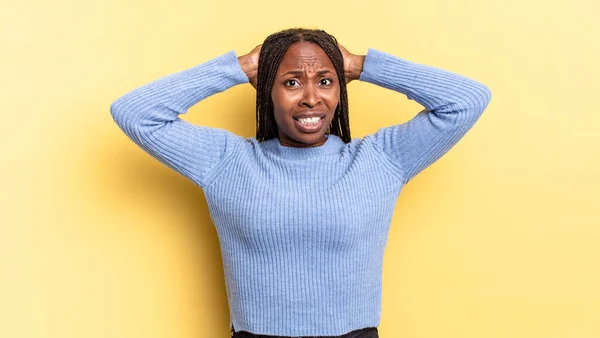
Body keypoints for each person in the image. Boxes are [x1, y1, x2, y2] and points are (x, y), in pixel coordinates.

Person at [110, 28, 491, 338]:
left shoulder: (380, 159)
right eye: (291, 82)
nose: (311, 98)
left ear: (340, 90)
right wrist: (240, 67)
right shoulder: (226, 161)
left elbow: (467, 100)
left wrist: (361, 65)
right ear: (266, 92)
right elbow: (135, 113)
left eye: (325, 81)